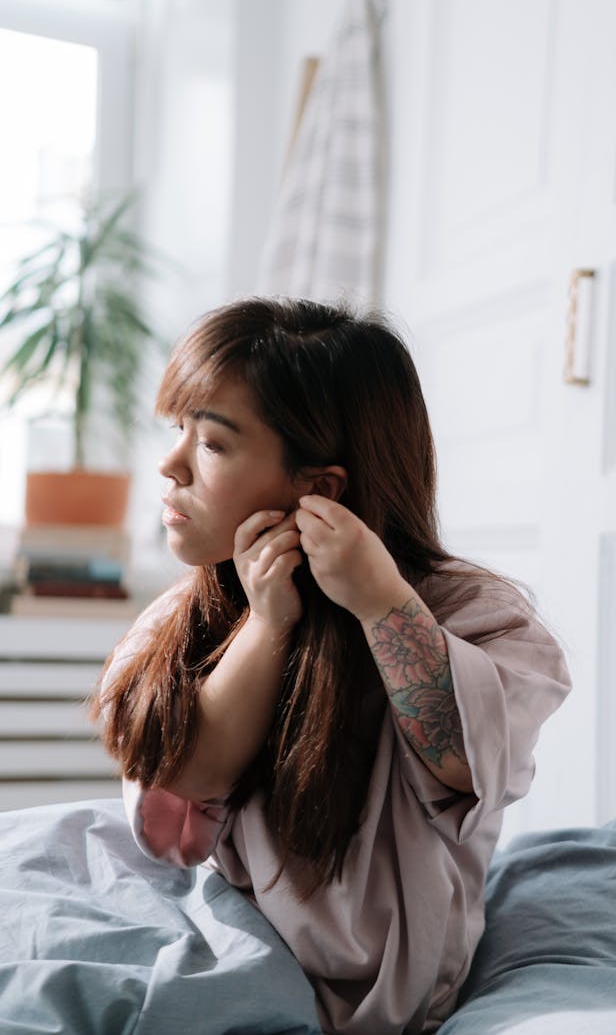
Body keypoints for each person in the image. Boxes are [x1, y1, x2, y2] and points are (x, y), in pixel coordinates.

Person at [94, 296, 570, 1035]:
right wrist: (268, 623)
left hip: (381, 988)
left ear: (319, 488)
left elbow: (460, 760)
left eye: (213, 443)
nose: (170, 463)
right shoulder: (188, 612)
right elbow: (186, 779)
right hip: (231, 933)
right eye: (177, 429)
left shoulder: (477, 616)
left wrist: (381, 605)